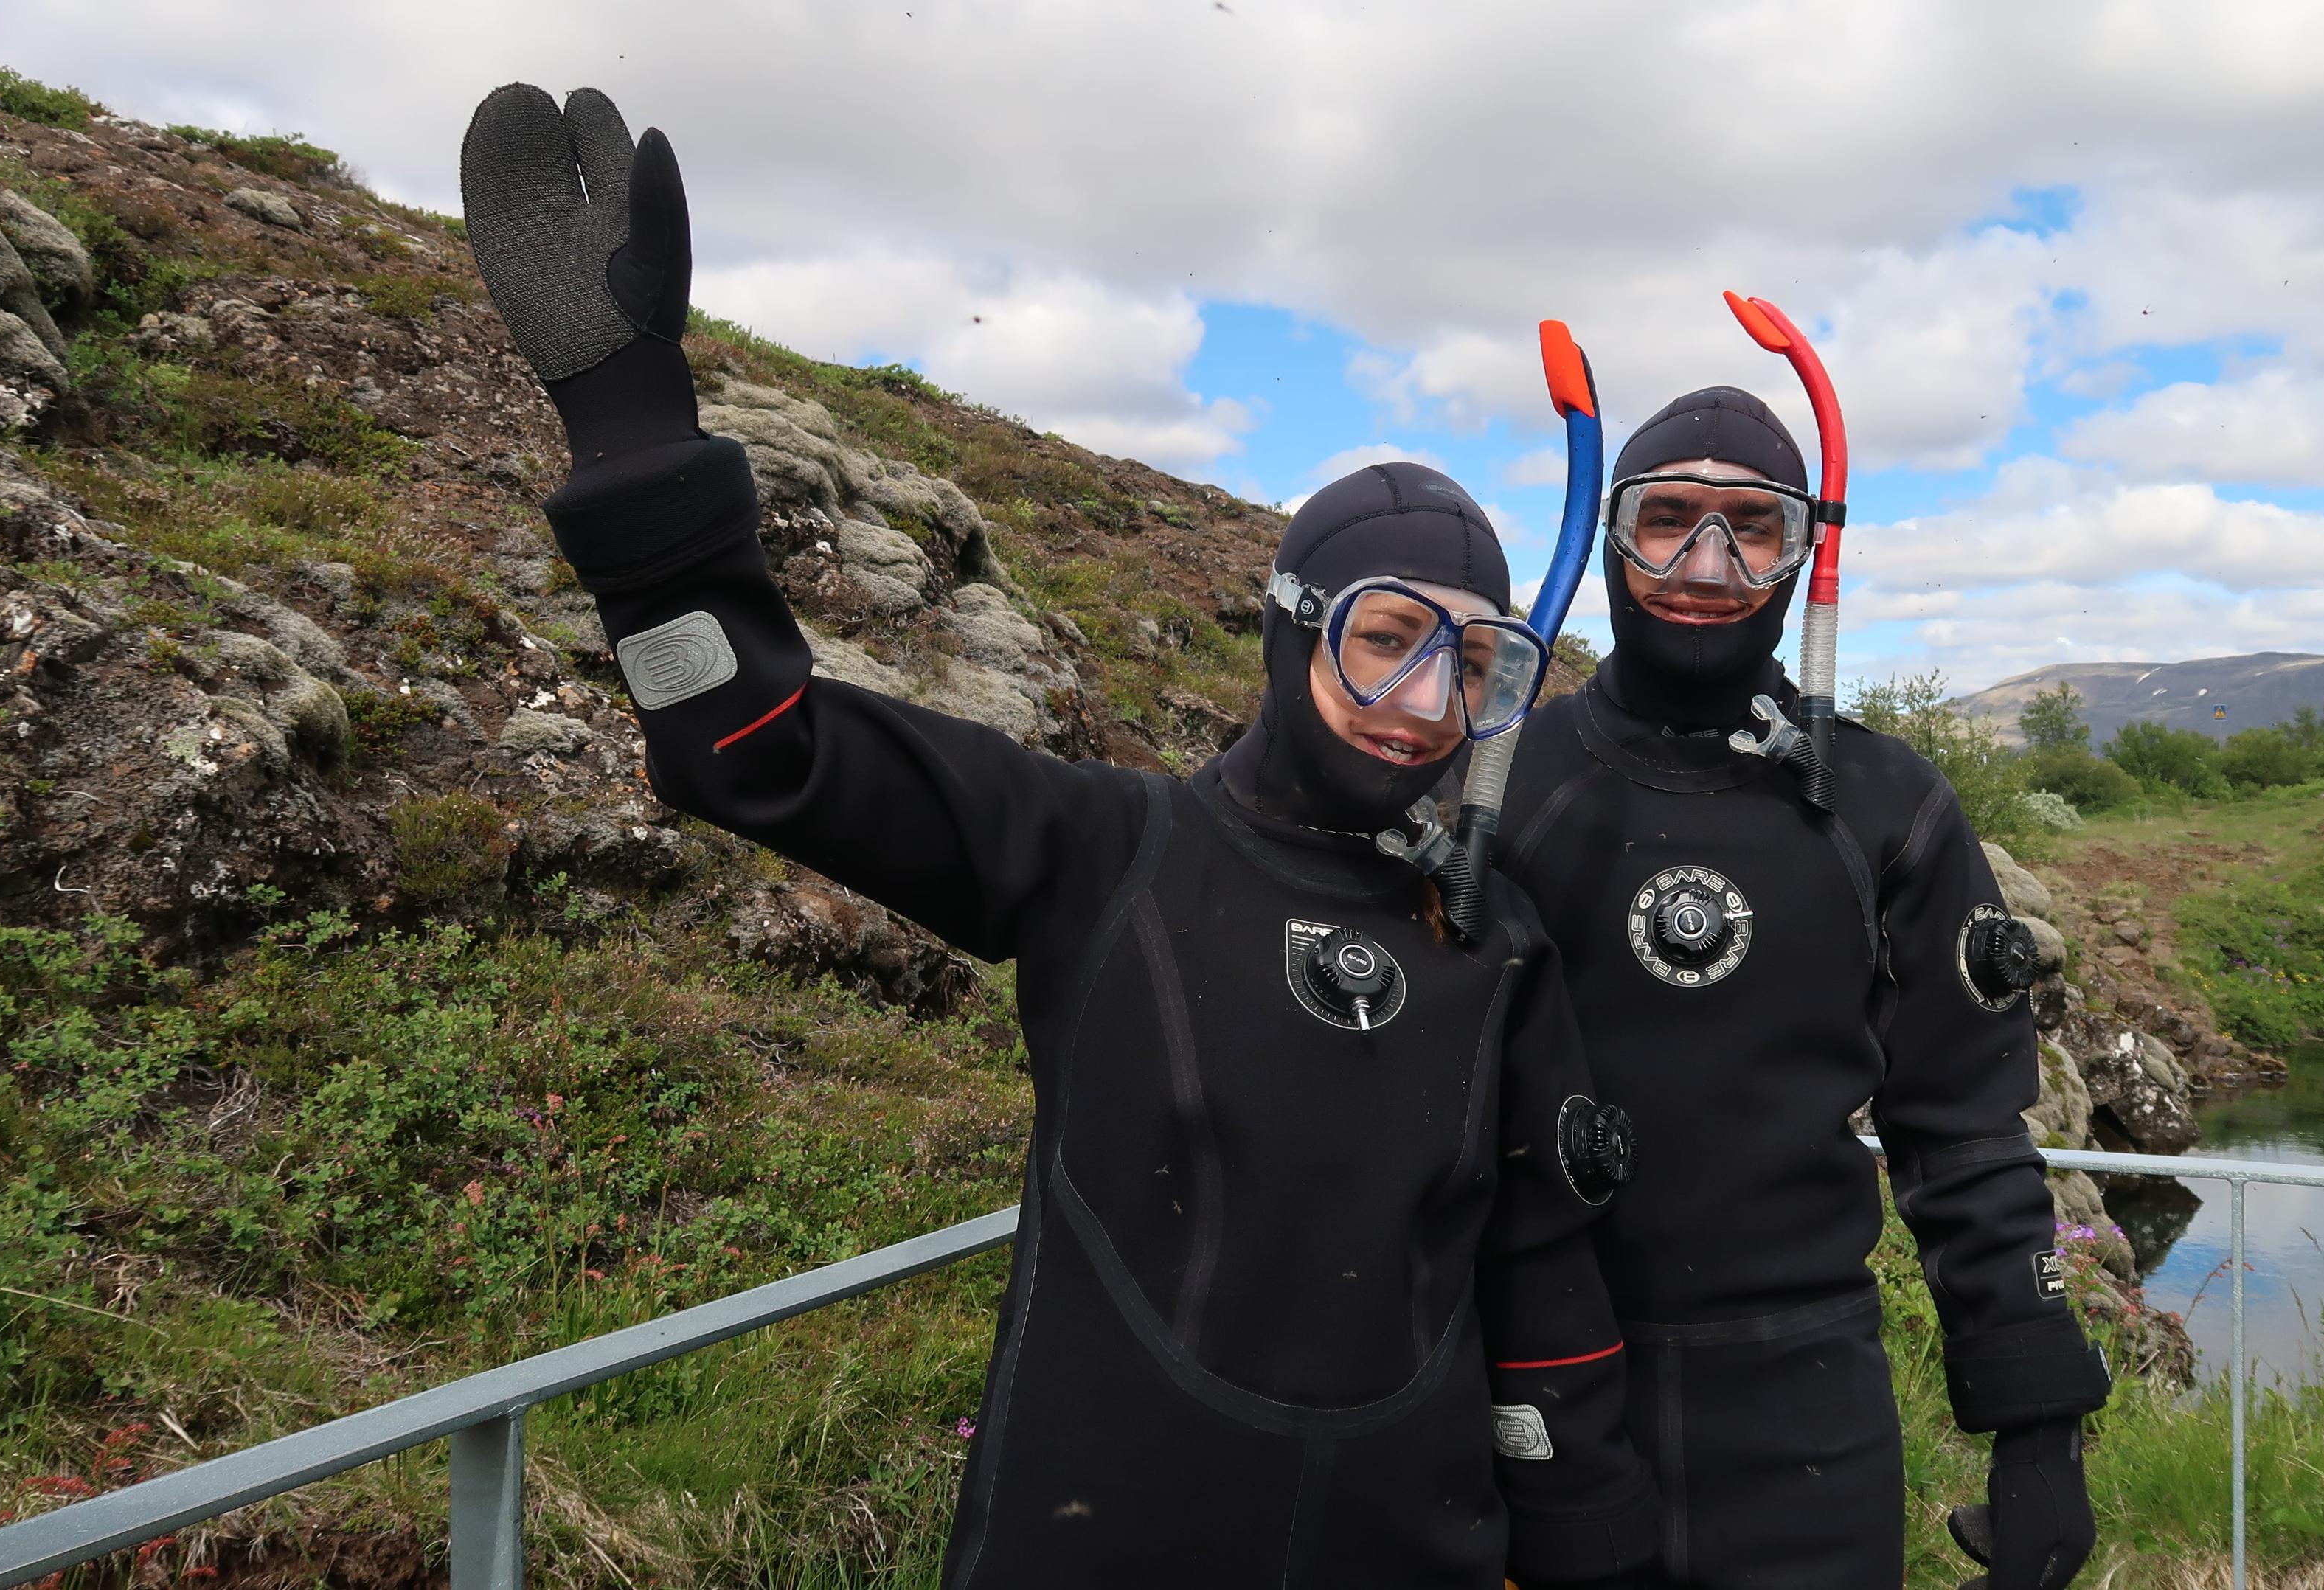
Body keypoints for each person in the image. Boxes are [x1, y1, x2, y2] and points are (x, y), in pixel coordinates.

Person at [457, 85, 1660, 1589]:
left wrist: (1597, 1555)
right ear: (1292, 638)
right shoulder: (1105, 848)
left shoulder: (1497, 939)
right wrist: (634, 435)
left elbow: (1544, 1295)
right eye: (1388, 639)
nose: (1427, 702)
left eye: (1477, 666)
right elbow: (752, 747)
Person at [1492, 387, 2109, 1589]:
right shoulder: (1508, 785)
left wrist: (2037, 1426)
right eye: (1667, 518)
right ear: (1609, 533)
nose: (1705, 564)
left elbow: (1966, 1132)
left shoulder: (1883, 805)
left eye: (1751, 526)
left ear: (1803, 552)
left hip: (1804, 1418)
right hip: (1533, 1389)